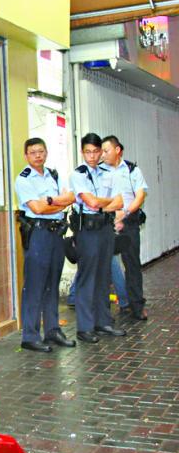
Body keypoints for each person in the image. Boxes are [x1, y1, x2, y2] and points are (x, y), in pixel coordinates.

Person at [15, 138, 76, 352]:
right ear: (26, 156)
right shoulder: (23, 179)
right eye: (33, 152)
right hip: (38, 234)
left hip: (56, 233)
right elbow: (37, 209)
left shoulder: (54, 175)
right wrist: (57, 203)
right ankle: (30, 336)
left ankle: (52, 330)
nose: (38, 155)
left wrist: (50, 202)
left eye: (41, 151)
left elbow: (71, 198)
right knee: (35, 285)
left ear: (46, 152)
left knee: (52, 282)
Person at [69, 133, 126, 343]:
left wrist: (101, 204)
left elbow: (120, 202)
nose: (92, 156)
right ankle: (85, 327)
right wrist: (104, 202)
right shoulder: (78, 175)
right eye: (88, 152)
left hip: (105, 229)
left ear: (101, 152)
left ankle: (103, 322)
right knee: (87, 276)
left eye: (95, 151)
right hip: (88, 231)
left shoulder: (108, 173)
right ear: (82, 152)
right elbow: (90, 202)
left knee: (103, 276)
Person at [101, 135, 149, 321]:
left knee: (132, 264)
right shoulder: (99, 171)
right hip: (106, 223)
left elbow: (140, 195)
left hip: (128, 222)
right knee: (102, 265)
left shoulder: (132, 170)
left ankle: (137, 306)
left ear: (117, 150)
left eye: (106, 151)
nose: (102, 155)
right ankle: (103, 312)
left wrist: (125, 213)